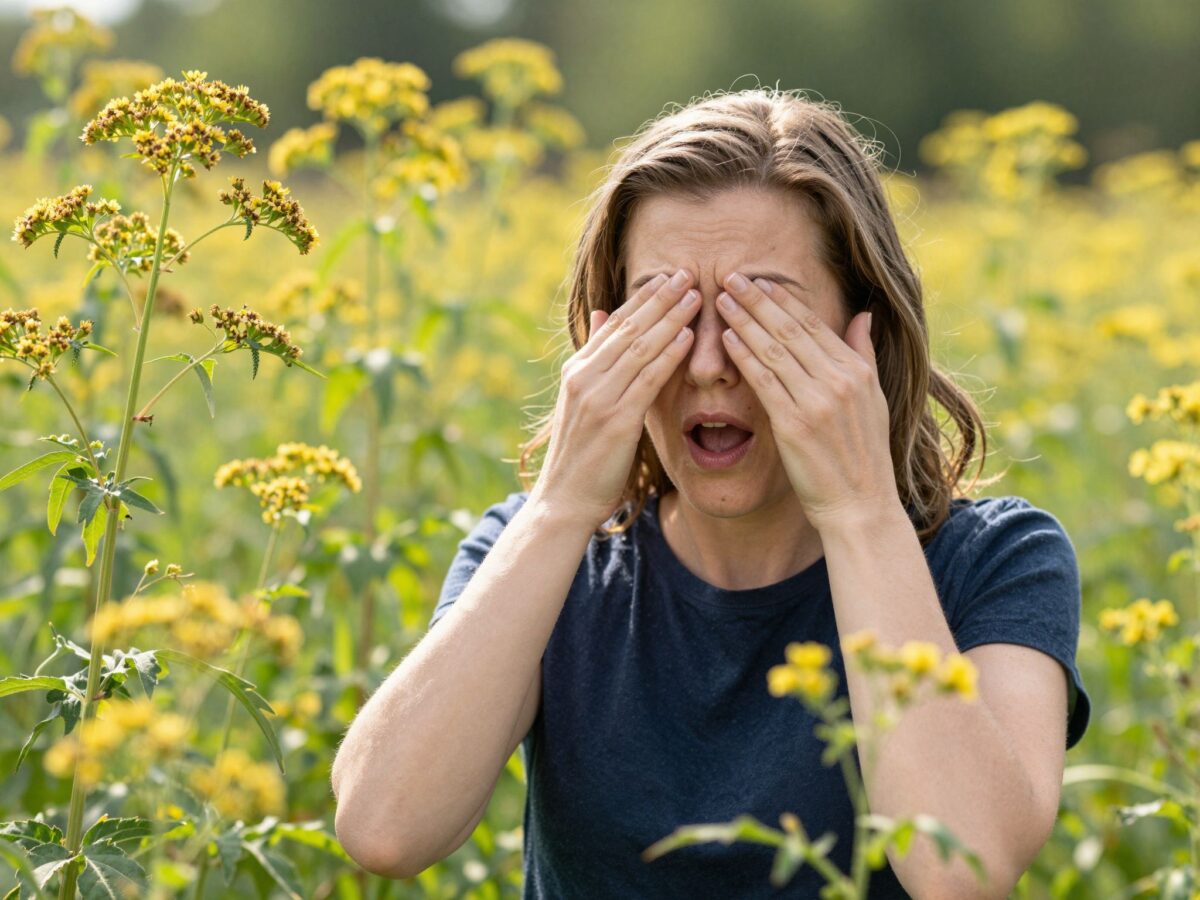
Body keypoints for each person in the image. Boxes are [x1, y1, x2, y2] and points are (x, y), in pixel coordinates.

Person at [330, 87, 1091, 898]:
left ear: (859, 335)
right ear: (603, 338)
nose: (706, 363)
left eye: (760, 314)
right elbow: (384, 829)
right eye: (664, 312)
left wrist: (861, 512)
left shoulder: (997, 562)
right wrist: (558, 508)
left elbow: (961, 871)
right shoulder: (537, 555)